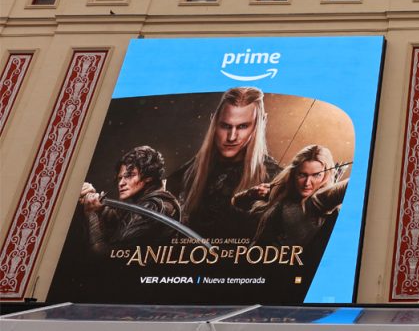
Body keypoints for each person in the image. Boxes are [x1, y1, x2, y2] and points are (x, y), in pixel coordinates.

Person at [166, 86, 282, 239]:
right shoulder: (185, 175)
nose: (232, 137)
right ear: (214, 121)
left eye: (242, 126)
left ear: (261, 123)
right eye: (225, 126)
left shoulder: (276, 179)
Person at [232, 144, 348, 246]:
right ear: (294, 173)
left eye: (316, 175)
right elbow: (236, 202)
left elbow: (347, 187)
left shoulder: (318, 200)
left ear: (325, 176)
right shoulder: (281, 192)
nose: (307, 183)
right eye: (302, 175)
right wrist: (251, 193)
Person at [79, 146, 181, 254]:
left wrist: (92, 213)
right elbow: (123, 222)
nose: (121, 183)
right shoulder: (147, 203)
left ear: (149, 176)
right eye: (120, 178)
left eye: (130, 175)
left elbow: (103, 255)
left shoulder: (155, 206)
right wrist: (96, 204)